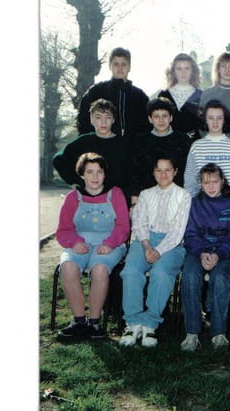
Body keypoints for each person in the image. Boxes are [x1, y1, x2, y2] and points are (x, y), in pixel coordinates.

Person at [54, 152, 130, 342]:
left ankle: (94, 323)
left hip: (109, 244)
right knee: (68, 267)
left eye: (99, 172)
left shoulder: (115, 194)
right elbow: (63, 230)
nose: (95, 177)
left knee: (100, 269)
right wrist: (74, 242)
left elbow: (123, 227)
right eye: (90, 172)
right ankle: (79, 321)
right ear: (82, 174)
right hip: (79, 243)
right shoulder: (73, 197)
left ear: (105, 174)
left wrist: (110, 243)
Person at [119, 156, 192, 348]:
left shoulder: (184, 196)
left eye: (168, 170)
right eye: (159, 170)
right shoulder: (145, 194)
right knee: (131, 272)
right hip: (144, 241)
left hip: (171, 244)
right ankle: (133, 322)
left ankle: (150, 323)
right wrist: (147, 246)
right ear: (153, 172)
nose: (163, 174)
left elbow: (178, 231)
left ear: (175, 172)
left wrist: (158, 250)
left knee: (161, 273)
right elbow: (139, 223)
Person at [179, 162, 230, 352]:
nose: (211, 186)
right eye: (206, 182)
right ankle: (192, 332)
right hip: (199, 250)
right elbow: (190, 234)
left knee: (220, 277)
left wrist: (219, 254)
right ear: (201, 184)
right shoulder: (195, 203)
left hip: (225, 252)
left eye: (215, 181)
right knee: (190, 276)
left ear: (222, 181)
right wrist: (201, 253)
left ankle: (218, 332)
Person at [53, 98, 132, 199]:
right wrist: (76, 181)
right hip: (89, 198)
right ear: (92, 119)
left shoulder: (124, 144)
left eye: (108, 117)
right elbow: (58, 160)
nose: (103, 122)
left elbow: (133, 173)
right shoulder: (84, 142)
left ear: (113, 120)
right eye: (98, 117)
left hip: (118, 198)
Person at [76, 47, 149, 138]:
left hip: (133, 145)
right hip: (102, 144)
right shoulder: (96, 91)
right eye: (116, 64)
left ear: (129, 67)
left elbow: (148, 125)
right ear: (110, 66)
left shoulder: (140, 96)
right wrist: (92, 141)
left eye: (124, 64)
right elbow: (82, 120)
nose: (120, 68)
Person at [130, 98, 192, 202]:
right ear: (150, 119)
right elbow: (135, 174)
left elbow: (188, 172)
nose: (161, 120)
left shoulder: (183, 140)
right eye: (156, 116)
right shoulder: (140, 141)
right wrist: (134, 201)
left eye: (164, 116)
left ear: (171, 117)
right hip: (148, 197)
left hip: (176, 196)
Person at [183, 101, 230, 199]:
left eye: (219, 118)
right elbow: (190, 181)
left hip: (228, 201)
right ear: (205, 120)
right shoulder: (197, 147)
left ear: (224, 120)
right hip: (203, 202)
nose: (215, 122)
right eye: (211, 118)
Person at [152, 52, 204, 139]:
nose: (183, 72)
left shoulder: (201, 95)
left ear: (193, 71)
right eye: (179, 69)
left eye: (187, 68)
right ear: (173, 71)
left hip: (194, 144)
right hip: (167, 143)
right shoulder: (164, 95)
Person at [199, 52, 230, 140]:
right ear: (218, 69)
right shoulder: (207, 94)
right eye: (223, 66)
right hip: (212, 145)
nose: (227, 70)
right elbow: (201, 125)